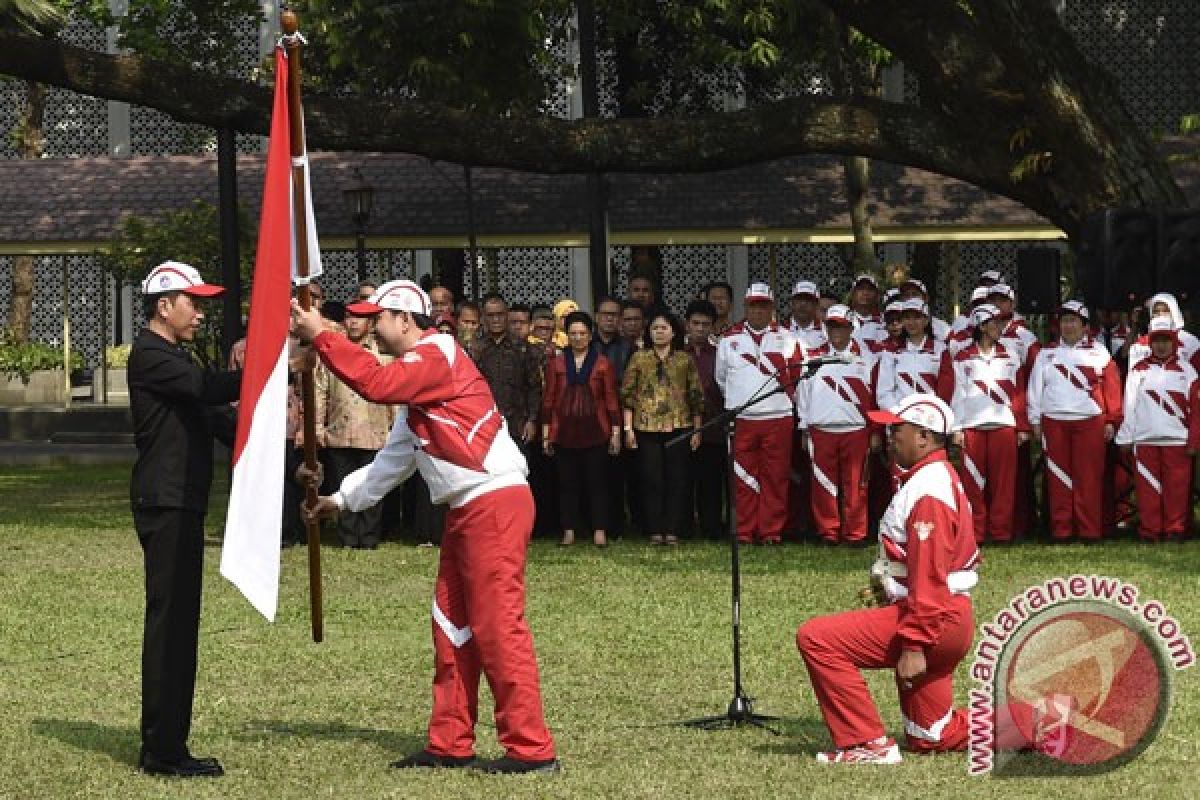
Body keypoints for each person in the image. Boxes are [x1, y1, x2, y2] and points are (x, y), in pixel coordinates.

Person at [294, 280, 560, 774]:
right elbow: (393, 461)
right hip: (468, 510)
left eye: (379, 319)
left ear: (405, 319)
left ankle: (531, 749)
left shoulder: (437, 353)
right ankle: (450, 742)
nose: (373, 329)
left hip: (493, 504)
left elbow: (373, 382)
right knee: (452, 625)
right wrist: (340, 500)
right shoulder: (419, 386)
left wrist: (324, 336)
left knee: (498, 627)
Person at [796, 393, 979, 764]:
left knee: (817, 638)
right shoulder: (934, 478)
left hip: (934, 620)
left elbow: (930, 575)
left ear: (925, 437)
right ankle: (1042, 722)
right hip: (947, 617)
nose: (891, 435)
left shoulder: (929, 489)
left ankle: (866, 744)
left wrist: (913, 645)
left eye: (899, 428)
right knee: (932, 735)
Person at [129, 261, 240, 778]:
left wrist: (281, 458)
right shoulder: (153, 355)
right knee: (171, 627)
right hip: (166, 501)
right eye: (192, 302)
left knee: (180, 626)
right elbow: (207, 390)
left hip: (181, 501)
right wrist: (271, 364)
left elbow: (218, 420)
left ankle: (167, 742)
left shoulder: (174, 357)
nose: (199, 311)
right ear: (163, 305)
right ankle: (163, 751)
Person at [715, 282, 804, 545]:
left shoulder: (788, 338)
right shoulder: (729, 339)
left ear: (772, 308)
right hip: (742, 418)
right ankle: (744, 530)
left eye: (763, 306)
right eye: (753, 306)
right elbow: (721, 379)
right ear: (744, 307)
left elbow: (798, 377)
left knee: (776, 476)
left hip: (778, 416)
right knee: (743, 476)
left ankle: (770, 531)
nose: (757, 312)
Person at [1026, 300, 1122, 542]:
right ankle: (1062, 530)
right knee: (1058, 477)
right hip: (1054, 421)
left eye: (1073, 321)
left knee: (1088, 478)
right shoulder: (1046, 354)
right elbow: (1035, 389)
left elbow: (1112, 388)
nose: (1068, 326)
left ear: (1085, 325)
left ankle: (1089, 530)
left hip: (1090, 422)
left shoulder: (1100, 353)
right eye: (1064, 321)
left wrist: (1112, 420)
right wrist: (1035, 420)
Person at [795, 304, 881, 546]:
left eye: (842, 327)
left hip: (856, 430)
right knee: (822, 484)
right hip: (821, 429)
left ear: (852, 328)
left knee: (856, 486)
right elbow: (803, 396)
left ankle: (855, 533)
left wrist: (875, 431)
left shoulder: (868, 358)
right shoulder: (812, 358)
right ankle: (828, 532)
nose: (837, 332)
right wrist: (803, 427)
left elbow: (876, 397)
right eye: (832, 326)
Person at [622, 310, 704, 545]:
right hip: (646, 428)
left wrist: (697, 429)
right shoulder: (639, 358)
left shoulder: (684, 359)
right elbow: (628, 394)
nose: (659, 332)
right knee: (651, 479)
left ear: (673, 332)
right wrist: (628, 429)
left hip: (680, 425)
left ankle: (674, 529)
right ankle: (654, 529)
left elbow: (695, 395)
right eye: (655, 328)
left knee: (678, 479)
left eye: (664, 328)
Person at [314, 307, 394, 549]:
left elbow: (395, 396)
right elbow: (320, 391)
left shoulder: (383, 355)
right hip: (341, 431)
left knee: (372, 485)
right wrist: (318, 426)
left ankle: (369, 537)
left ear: (370, 323)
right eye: (349, 317)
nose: (353, 323)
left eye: (359, 318)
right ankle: (347, 537)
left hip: (374, 430)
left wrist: (396, 426)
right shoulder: (333, 353)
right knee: (342, 483)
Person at [950, 304, 1030, 545]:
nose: (1000, 327)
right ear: (982, 326)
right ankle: (976, 534)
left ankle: (1001, 533)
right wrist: (956, 428)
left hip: (1003, 426)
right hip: (972, 427)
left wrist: (1022, 426)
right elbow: (958, 394)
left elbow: (1018, 394)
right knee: (972, 484)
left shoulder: (1011, 355)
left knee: (1004, 485)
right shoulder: (962, 357)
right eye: (994, 323)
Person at [1115, 316, 1200, 542]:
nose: (1161, 345)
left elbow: (1196, 410)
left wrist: (1193, 441)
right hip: (1145, 440)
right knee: (1147, 490)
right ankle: (1150, 530)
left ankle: (1175, 530)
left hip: (1177, 441)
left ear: (1174, 342)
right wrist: (1126, 437)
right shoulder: (1138, 370)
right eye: (1157, 340)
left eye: (1166, 340)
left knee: (1177, 490)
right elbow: (1129, 406)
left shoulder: (1187, 371)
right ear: (1150, 342)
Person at [541, 311, 621, 547]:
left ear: (590, 335)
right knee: (567, 484)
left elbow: (610, 399)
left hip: (595, 429)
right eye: (573, 334)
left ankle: (599, 530)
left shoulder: (602, 363)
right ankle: (569, 530)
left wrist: (616, 432)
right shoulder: (556, 363)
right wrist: (546, 433)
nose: (577, 338)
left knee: (597, 484)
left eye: (582, 333)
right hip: (564, 430)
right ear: (567, 336)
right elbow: (549, 399)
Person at [471, 294, 543, 446]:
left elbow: (534, 387)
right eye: (491, 315)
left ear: (507, 315)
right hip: (484, 425)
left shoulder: (523, 348)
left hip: (517, 425)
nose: (496, 320)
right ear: (483, 318)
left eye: (500, 315)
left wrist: (532, 420)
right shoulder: (475, 349)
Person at [685, 299, 727, 540]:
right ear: (687, 324)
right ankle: (685, 525)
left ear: (713, 326)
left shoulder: (721, 352)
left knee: (711, 482)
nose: (700, 329)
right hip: (683, 426)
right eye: (696, 323)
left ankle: (711, 526)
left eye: (705, 324)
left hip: (714, 426)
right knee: (684, 479)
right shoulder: (678, 354)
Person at [875, 298, 953, 411]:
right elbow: (883, 392)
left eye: (917, 317)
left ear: (926, 320)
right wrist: (899, 413)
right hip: (900, 420)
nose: (911, 322)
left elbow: (946, 390)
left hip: (931, 419)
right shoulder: (891, 351)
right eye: (907, 317)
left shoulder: (941, 349)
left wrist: (934, 415)